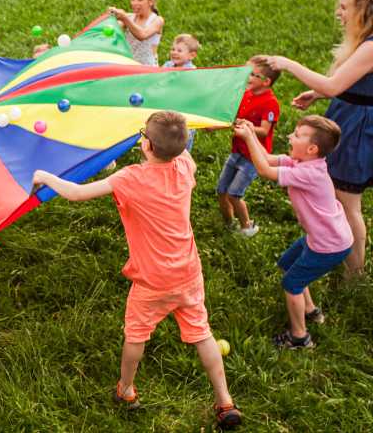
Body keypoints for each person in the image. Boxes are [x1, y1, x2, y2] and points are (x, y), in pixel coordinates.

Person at [33, 111, 242, 429]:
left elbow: (76, 194)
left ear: (146, 145)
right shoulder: (185, 166)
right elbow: (182, 151)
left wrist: (44, 176)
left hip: (152, 280)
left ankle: (126, 389)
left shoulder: (130, 178)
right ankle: (225, 401)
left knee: (136, 334)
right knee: (203, 334)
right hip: (187, 272)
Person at [264, 0, 373, 276]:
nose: (339, 13)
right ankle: (339, 252)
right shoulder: (364, 41)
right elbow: (347, 84)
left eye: (344, 7)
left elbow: (335, 83)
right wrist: (318, 93)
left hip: (359, 127)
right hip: (348, 116)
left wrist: (288, 64)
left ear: (363, 11)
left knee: (348, 202)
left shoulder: (371, 46)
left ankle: (355, 275)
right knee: (338, 196)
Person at [234, 116, 352, 349]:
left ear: (312, 148)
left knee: (291, 284)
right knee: (289, 264)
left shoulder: (310, 174)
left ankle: (299, 337)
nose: (289, 136)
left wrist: (248, 138)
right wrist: (251, 133)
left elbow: (265, 170)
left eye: (296, 135)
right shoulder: (303, 163)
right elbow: (267, 158)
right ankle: (310, 310)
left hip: (328, 245)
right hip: (323, 237)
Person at [217, 56, 280, 237]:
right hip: (237, 151)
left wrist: (248, 127)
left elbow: (264, 131)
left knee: (234, 194)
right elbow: (233, 118)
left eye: (253, 75)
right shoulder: (246, 94)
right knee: (222, 190)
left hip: (252, 157)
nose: (248, 77)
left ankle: (247, 227)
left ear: (266, 81)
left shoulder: (270, 103)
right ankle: (228, 224)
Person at [109, 0, 165, 66]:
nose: (134, 3)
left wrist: (124, 18)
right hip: (130, 65)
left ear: (151, 1)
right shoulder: (129, 17)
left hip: (148, 69)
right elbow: (112, 30)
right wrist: (111, 17)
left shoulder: (157, 20)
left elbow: (142, 35)